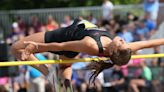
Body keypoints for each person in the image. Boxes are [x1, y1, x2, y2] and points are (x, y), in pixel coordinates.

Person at [11, 18, 164, 91]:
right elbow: (153, 42)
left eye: (122, 42)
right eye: (124, 42)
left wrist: (36, 46)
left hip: (65, 37)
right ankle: (65, 88)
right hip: (73, 42)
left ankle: (48, 73)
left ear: (113, 50)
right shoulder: (123, 49)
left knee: (15, 48)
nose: (124, 40)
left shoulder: (91, 45)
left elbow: (60, 45)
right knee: (64, 69)